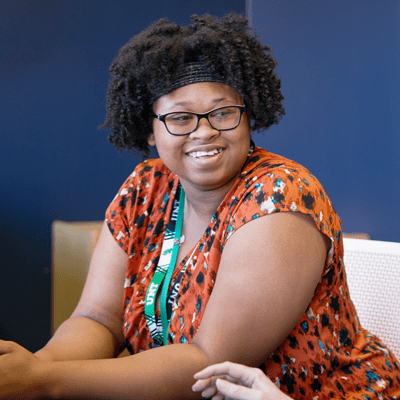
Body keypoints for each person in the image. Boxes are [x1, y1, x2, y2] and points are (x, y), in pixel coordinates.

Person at [0, 13, 399, 400]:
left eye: (223, 112)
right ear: (151, 129)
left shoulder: (280, 199)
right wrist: (33, 369)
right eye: (180, 117)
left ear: (249, 117)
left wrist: (44, 380)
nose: (204, 131)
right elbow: (98, 319)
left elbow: (211, 363)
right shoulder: (145, 188)